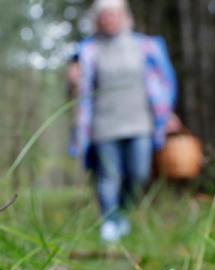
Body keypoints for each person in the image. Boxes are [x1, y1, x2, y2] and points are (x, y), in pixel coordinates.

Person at [69, 0, 178, 243]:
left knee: (138, 173)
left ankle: (122, 214)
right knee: (109, 176)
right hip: (103, 124)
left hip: (140, 121)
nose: (109, 20)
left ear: (124, 17)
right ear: (97, 20)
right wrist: (73, 81)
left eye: (114, 15)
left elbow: (162, 84)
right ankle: (109, 221)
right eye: (104, 16)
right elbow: (75, 92)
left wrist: (167, 113)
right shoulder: (87, 50)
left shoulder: (146, 46)